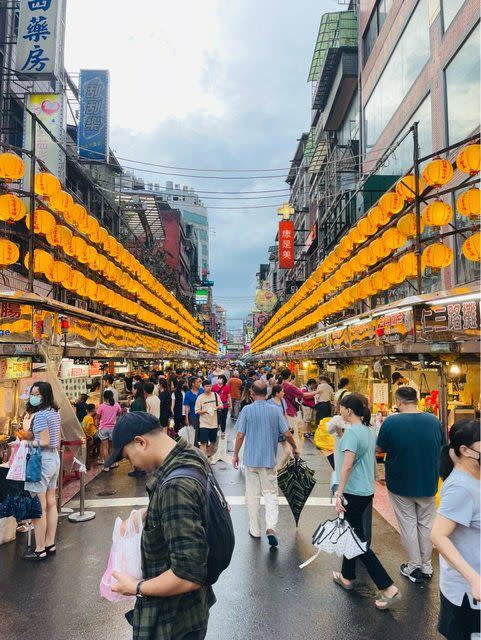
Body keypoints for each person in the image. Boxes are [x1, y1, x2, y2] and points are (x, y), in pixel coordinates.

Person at [105, 412, 215, 640]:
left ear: (140, 442)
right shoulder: (192, 455)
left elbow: (188, 575)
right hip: (193, 610)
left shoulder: (175, 487)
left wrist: (135, 587)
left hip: (174, 620)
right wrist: (143, 516)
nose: (132, 464)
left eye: (128, 457)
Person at [333, 394, 401, 609]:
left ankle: (388, 587)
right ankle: (347, 575)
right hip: (366, 490)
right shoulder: (368, 430)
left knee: (358, 541)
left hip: (352, 491)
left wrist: (339, 493)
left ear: (348, 411)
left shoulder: (352, 433)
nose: (340, 411)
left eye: (341, 408)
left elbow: (347, 465)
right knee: (352, 534)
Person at [377, 386, 442, 583]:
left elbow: (379, 448)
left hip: (401, 483)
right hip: (428, 481)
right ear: (417, 400)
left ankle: (414, 566)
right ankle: (427, 566)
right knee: (425, 525)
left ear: (399, 402)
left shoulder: (392, 422)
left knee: (408, 524)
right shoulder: (434, 421)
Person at [431, 420, 480, 640]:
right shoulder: (460, 487)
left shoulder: (475, 474)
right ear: (465, 450)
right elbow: (438, 536)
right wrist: (473, 579)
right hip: (468, 594)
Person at [233, 381, 298, 546]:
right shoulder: (274, 410)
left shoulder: (247, 410)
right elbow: (287, 433)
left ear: (252, 393)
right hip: (269, 462)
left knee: (252, 496)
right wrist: (295, 447)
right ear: (267, 392)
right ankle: (271, 527)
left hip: (251, 462)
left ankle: (255, 529)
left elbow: (240, 435)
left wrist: (235, 455)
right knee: (270, 495)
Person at [23, 382, 61, 561]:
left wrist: (24, 443)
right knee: (51, 502)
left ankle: (39, 549)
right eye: (32, 393)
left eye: (37, 393)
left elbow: (43, 441)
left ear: (44, 395)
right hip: (53, 459)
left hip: (41, 459)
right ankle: (49, 543)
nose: (34, 396)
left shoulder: (39, 416)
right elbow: (55, 439)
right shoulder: (54, 413)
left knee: (40, 507)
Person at [96, 389, 121, 471]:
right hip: (113, 428)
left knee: (104, 447)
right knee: (110, 447)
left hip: (103, 428)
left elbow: (97, 418)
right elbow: (119, 414)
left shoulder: (101, 406)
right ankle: (112, 463)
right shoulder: (116, 405)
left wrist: (96, 424)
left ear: (104, 397)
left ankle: (106, 466)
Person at [267, 384, 292, 468]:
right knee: (272, 452)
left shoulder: (282, 401)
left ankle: (279, 467)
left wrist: (288, 425)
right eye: (282, 391)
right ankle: (272, 468)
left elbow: (284, 414)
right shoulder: (269, 402)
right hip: (272, 430)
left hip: (282, 429)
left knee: (288, 451)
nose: (284, 393)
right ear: (277, 393)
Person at [195, 380, 221, 457]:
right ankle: (203, 458)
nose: (209, 388)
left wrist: (216, 407)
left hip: (214, 423)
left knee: (213, 441)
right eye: (207, 386)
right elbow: (197, 411)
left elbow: (221, 405)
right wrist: (206, 411)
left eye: (210, 386)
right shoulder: (200, 397)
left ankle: (209, 455)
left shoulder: (215, 395)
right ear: (203, 387)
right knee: (203, 442)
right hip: (204, 423)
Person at [184, 377, 203, 444]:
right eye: (197, 382)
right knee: (194, 432)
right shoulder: (188, 394)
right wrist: (186, 418)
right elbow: (186, 407)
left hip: (202, 415)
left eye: (199, 382)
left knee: (202, 432)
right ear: (193, 384)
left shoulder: (202, 391)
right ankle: (195, 447)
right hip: (193, 415)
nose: (199, 384)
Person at [212, 375, 231, 440]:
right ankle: (217, 428)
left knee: (223, 419)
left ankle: (223, 432)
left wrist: (230, 405)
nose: (219, 380)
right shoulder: (214, 387)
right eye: (219, 378)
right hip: (216, 405)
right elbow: (212, 396)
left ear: (224, 380)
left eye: (221, 379)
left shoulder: (227, 387)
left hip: (224, 405)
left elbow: (229, 396)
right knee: (216, 418)